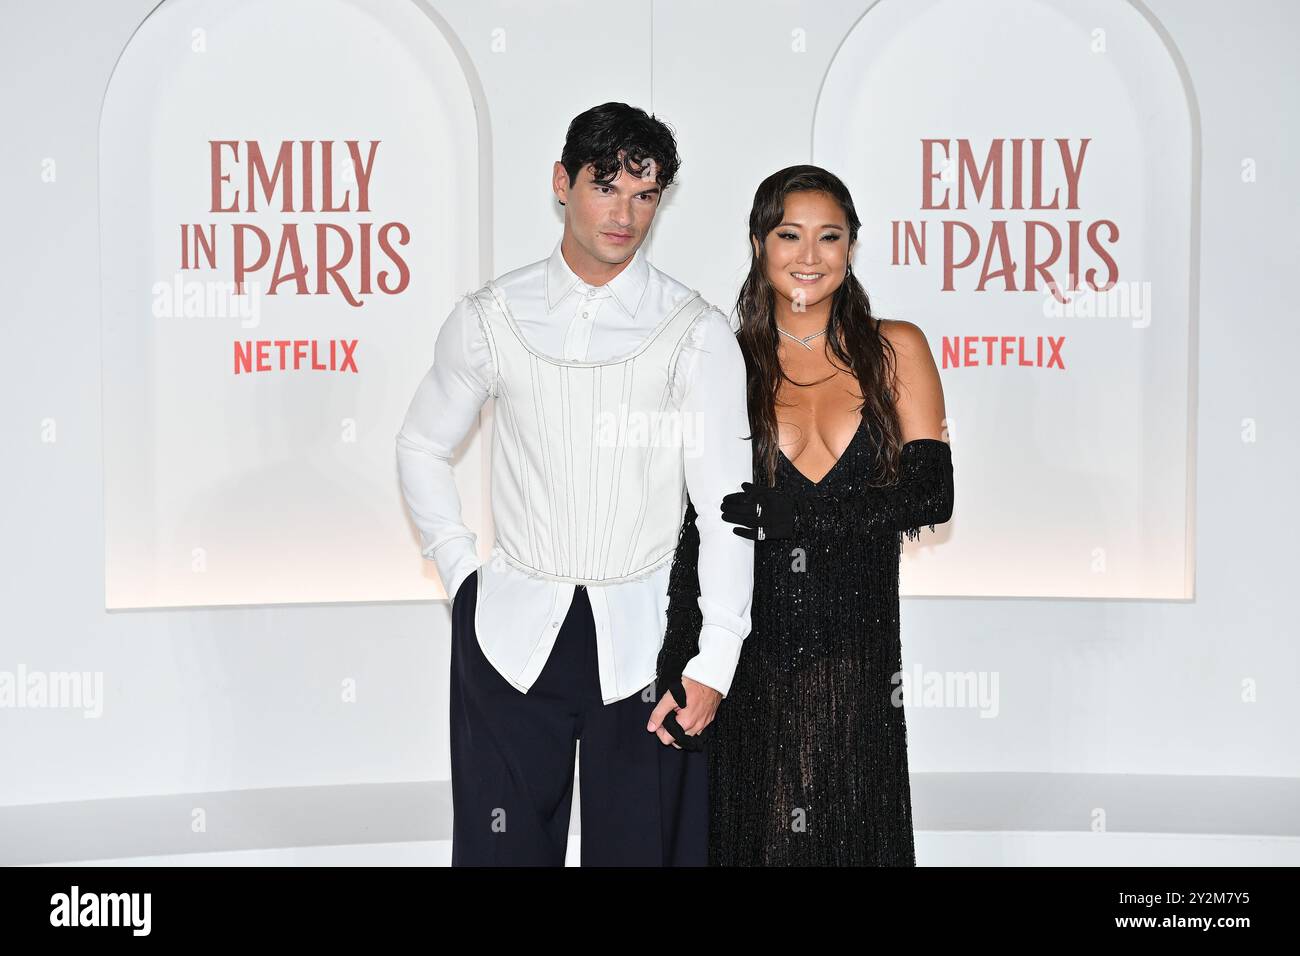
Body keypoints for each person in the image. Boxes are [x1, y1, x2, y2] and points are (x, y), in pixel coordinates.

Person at [395, 102, 753, 866]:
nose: (625, 213)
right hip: (509, 636)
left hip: (654, 642)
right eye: (606, 186)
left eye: (646, 193)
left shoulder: (696, 330)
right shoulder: (492, 316)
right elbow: (422, 443)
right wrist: (463, 577)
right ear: (563, 183)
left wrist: (714, 658)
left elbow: (728, 508)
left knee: (644, 854)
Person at [654, 165, 955, 866]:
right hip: (757, 663)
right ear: (759, 242)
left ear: (852, 247)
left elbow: (930, 497)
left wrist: (800, 518)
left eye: (830, 236)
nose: (809, 256)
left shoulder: (896, 349)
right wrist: (679, 659)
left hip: (860, 665)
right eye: (790, 234)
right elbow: (697, 529)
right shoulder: (725, 364)